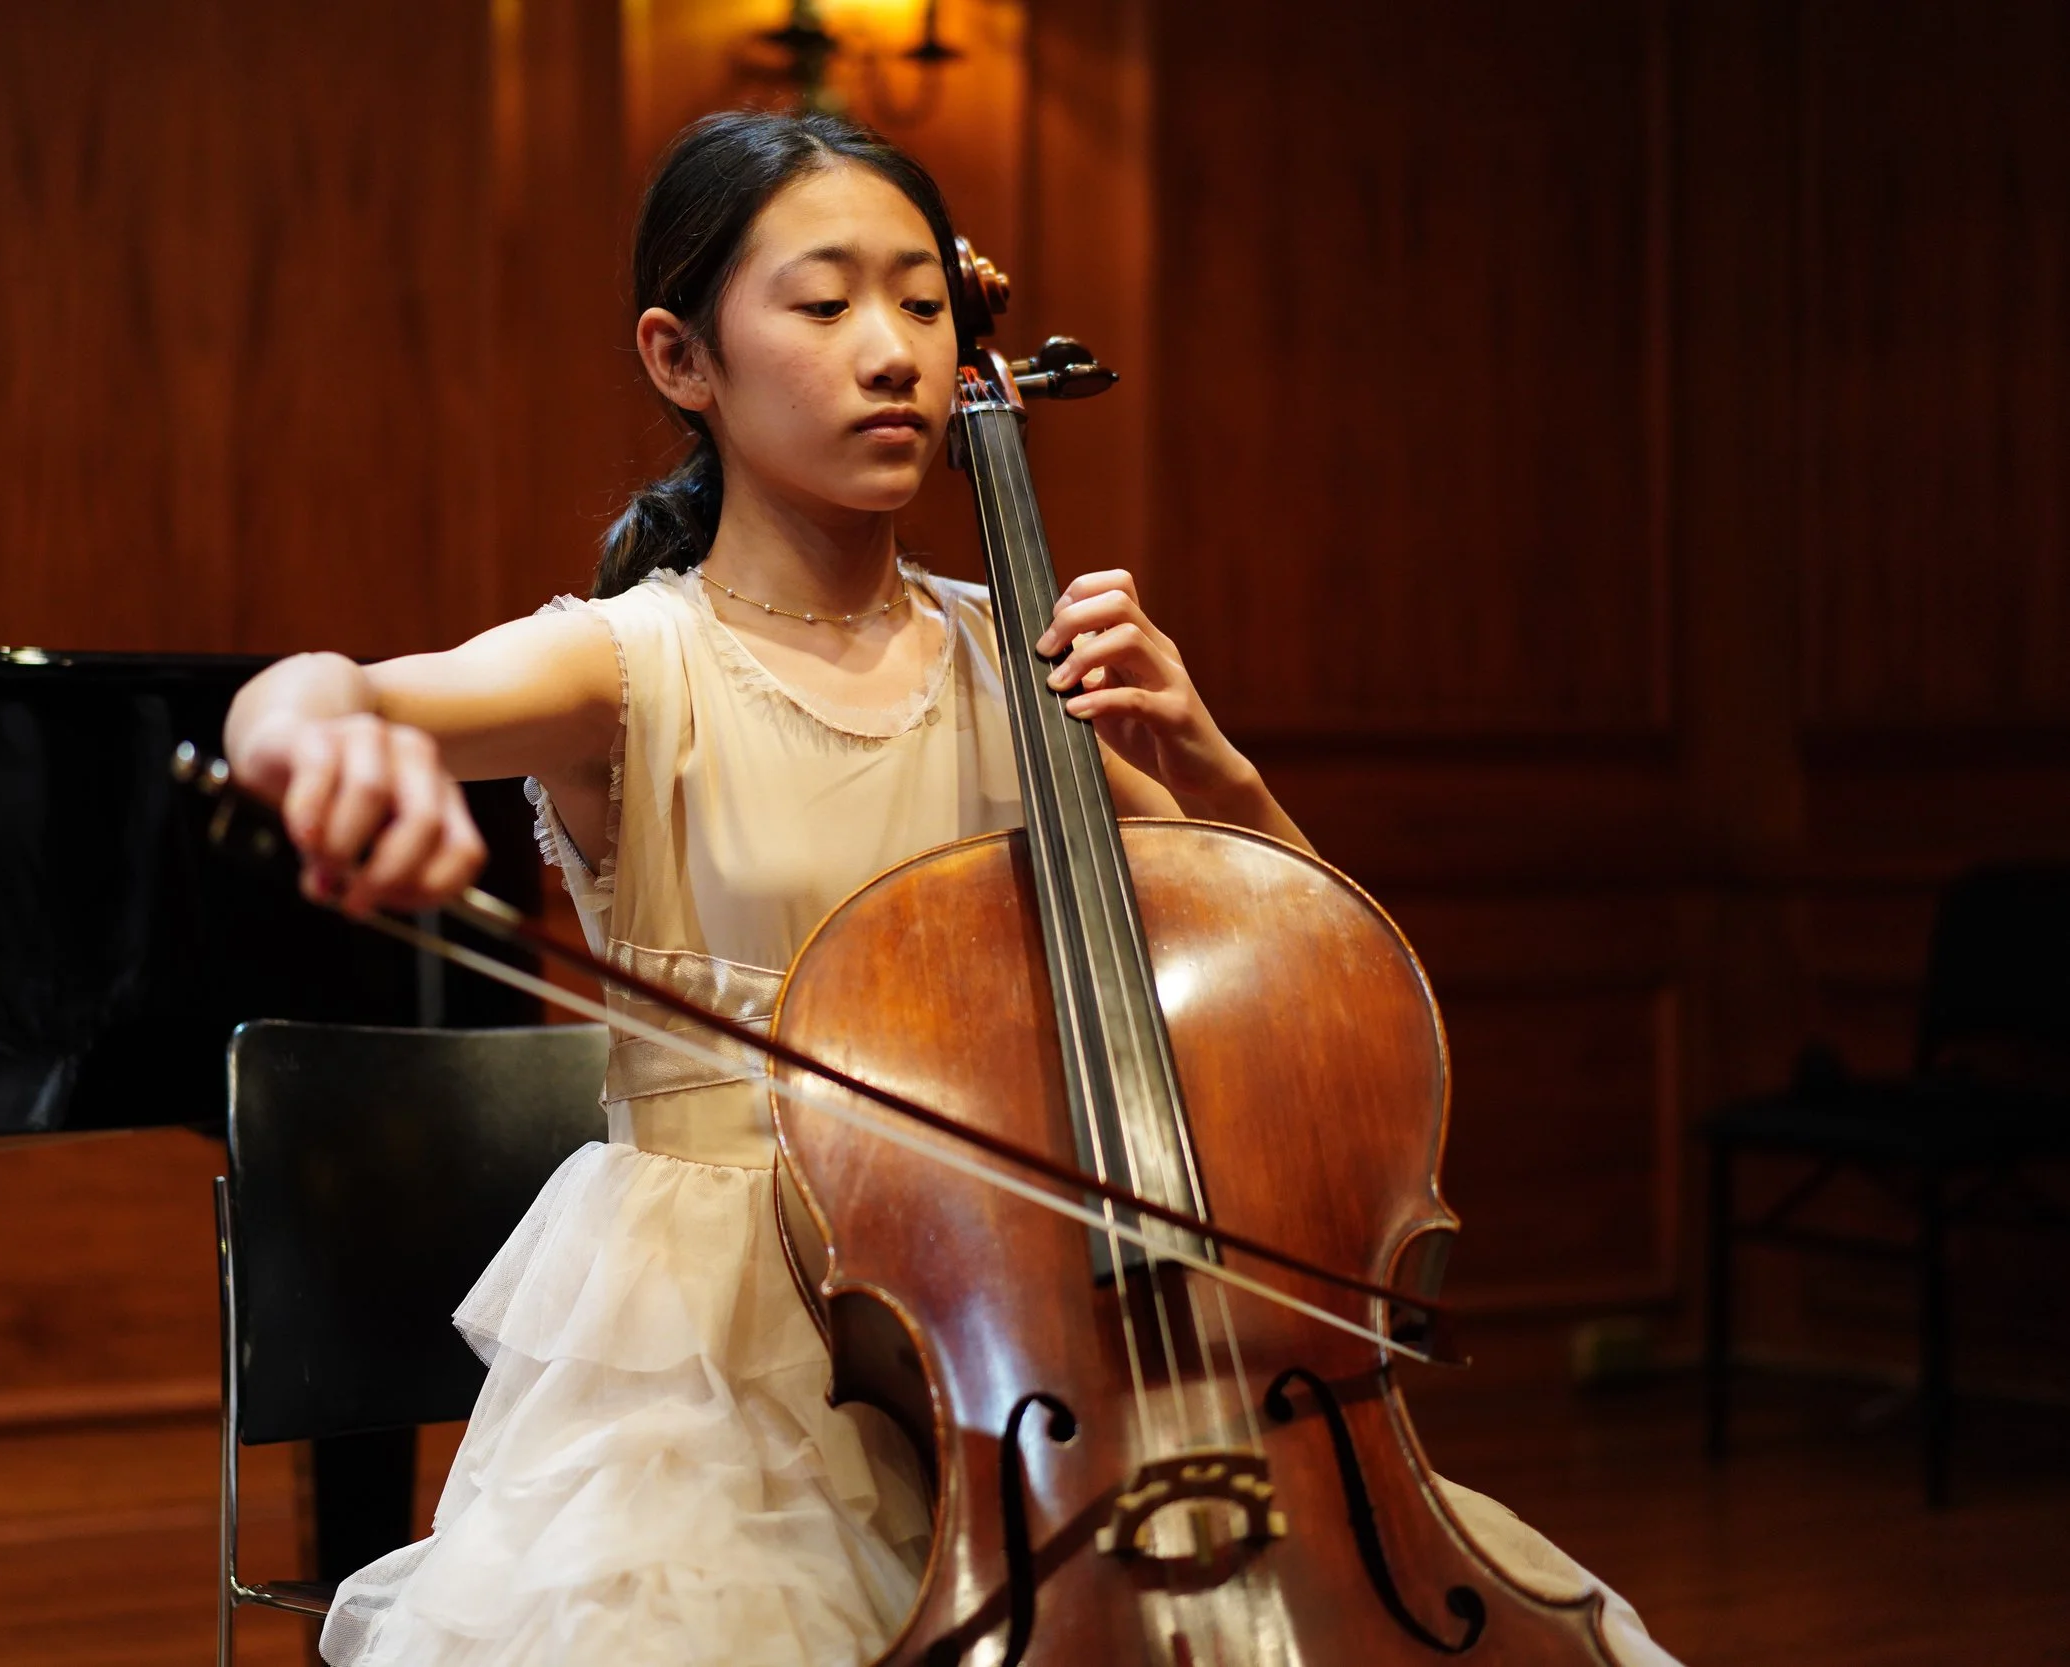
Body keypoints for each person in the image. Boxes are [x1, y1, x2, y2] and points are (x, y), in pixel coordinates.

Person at [225, 108, 1679, 1667]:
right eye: (826, 300)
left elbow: (1324, 1010)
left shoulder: (1020, 657)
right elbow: (313, 691)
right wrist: (313, 733)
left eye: (922, 301)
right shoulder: (632, 663)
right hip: (727, 1381)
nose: (894, 350)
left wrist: (1212, 768)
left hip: (1031, 1334)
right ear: (680, 358)